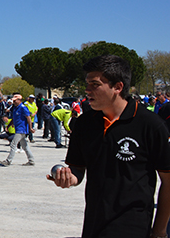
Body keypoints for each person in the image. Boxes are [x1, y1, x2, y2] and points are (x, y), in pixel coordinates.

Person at [49, 55, 170, 238]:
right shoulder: (84, 124)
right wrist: (69, 178)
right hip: (93, 224)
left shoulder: (151, 125)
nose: (87, 90)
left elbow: (168, 181)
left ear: (118, 87)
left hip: (133, 226)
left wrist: (160, 230)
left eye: (95, 84)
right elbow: (78, 168)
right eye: (87, 84)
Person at [0, 93, 35, 166]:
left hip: (22, 129)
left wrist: (30, 128)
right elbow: (14, 118)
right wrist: (9, 125)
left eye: (15, 101)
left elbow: (28, 118)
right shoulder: (15, 108)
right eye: (13, 101)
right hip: (17, 128)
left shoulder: (23, 108)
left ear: (19, 100)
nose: (14, 102)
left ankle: (8, 161)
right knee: (25, 146)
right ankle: (31, 160)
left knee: (13, 144)